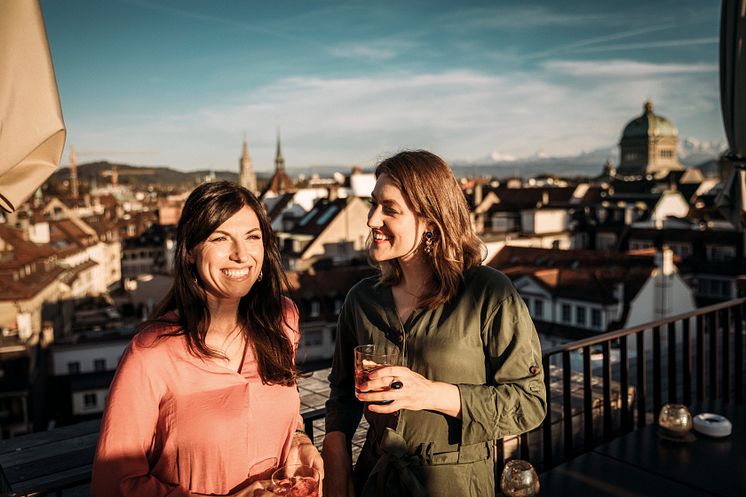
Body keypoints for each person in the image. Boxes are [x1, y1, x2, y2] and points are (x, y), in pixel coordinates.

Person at [322, 150, 546, 497]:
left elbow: (530, 402)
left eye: (389, 209)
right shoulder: (361, 299)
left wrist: (429, 393)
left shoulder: (487, 293)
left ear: (430, 221)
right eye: (373, 204)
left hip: (455, 485)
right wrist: (337, 470)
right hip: (375, 480)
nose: (371, 219)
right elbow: (341, 396)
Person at [92, 181, 323, 496]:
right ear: (189, 251)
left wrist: (298, 440)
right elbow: (112, 486)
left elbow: (280, 408)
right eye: (220, 238)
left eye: (252, 237)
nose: (241, 255)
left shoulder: (283, 319)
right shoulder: (152, 352)